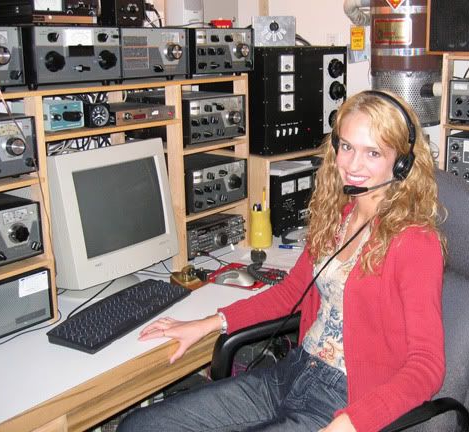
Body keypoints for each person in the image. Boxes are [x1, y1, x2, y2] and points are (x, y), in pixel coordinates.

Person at [118, 90, 446, 432]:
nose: (352, 165)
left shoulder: (415, 242)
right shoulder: (340, 217)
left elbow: (427, 367)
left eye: (373, 153)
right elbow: (290, 294)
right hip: (294, 373)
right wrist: (208, 323)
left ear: (402, 162)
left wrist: (352, 423)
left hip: (348, 400)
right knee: (142, 425)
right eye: (346, 147)